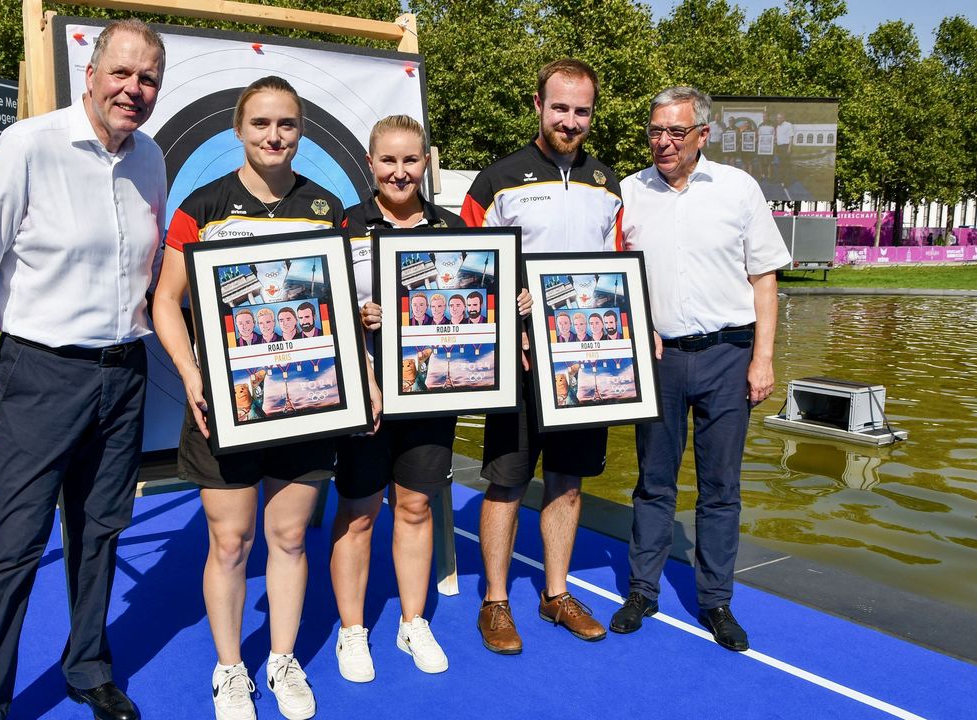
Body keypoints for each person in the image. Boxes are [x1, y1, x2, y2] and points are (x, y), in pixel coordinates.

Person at [0, 19, 165, 720]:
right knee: (15, 546)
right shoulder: (28, 145)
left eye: (148, 79)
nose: (133, 90)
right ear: (91, 73)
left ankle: (87, 668)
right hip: (41, 376)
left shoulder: (153, 158)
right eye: (122, 73)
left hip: (124, 373)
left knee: (101, 529)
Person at [152, 75, 349, 720]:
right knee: (231, 541)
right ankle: (230, 668)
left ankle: (283, 660)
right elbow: (164, 304)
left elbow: (339, 309)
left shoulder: (327, 209)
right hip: (225, 406)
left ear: (301, 132)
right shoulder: (202, 207)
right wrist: (190, 374)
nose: (273, 136)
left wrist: (363, 377)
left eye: (286, 124)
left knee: (289, 539)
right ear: (238, 130)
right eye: (261, 123)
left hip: (306, 401)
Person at [611, 86, 790, 652]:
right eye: (655, 131)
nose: (663, 142)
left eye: (676, 132)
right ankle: (642, 589)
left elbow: (765, 279)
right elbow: (610, 278)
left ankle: (715, 601)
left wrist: (763, 359)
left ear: (702, 135)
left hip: (728, 358)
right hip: (659, 359)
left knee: (720, 489)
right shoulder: (628, 193)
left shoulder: (739, 190)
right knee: (653, 483)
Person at [461, 58, 622, 654]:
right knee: (506, 482)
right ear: (537, 105)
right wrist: (510, 327)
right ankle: (496, 602)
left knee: (569, 481)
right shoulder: (496, 181)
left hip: (586, 361)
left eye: (581, 111)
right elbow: (469, 274)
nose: (570, 120)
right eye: (560, 108)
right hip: (518, 359)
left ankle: (556, 594)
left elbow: (618, 273)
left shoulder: (609, 185)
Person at [331, 114, 466, 682]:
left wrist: (515, 307)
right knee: (359, 513)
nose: (400, 171)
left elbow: (474, 306)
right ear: (370, 163)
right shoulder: (345, 225)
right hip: (368, 396)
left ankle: (412, 621)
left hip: (432, 393)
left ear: (426, 163)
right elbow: (321, 309)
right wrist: (354, 316)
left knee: (415, 507)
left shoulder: (453, 228)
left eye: (411, 160)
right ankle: (352, 630)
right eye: (388, 160)